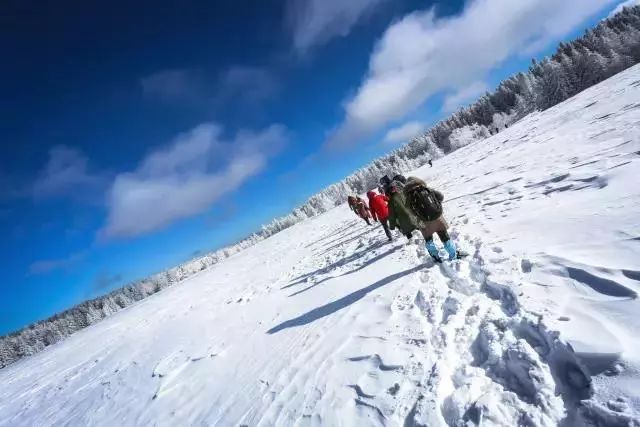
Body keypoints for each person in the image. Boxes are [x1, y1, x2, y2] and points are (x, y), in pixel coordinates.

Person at [403, 176, 461, 262]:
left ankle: (435, 256)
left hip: (423, 221)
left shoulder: (408, 197)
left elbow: (410, 213)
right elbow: (441, 197)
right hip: (437, 217)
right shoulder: (426, 189)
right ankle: (453, 254)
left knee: (429, 240)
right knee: (444, 236)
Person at [384, 175, 418, 240]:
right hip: (403, 199)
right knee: (411, 213)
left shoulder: (387, 189)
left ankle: (410, 237)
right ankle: (417, 227)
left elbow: (387, 197)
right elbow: (404, 187)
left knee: (401, 221)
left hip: (397, 205)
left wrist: (392, 225)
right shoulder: (396, 183)